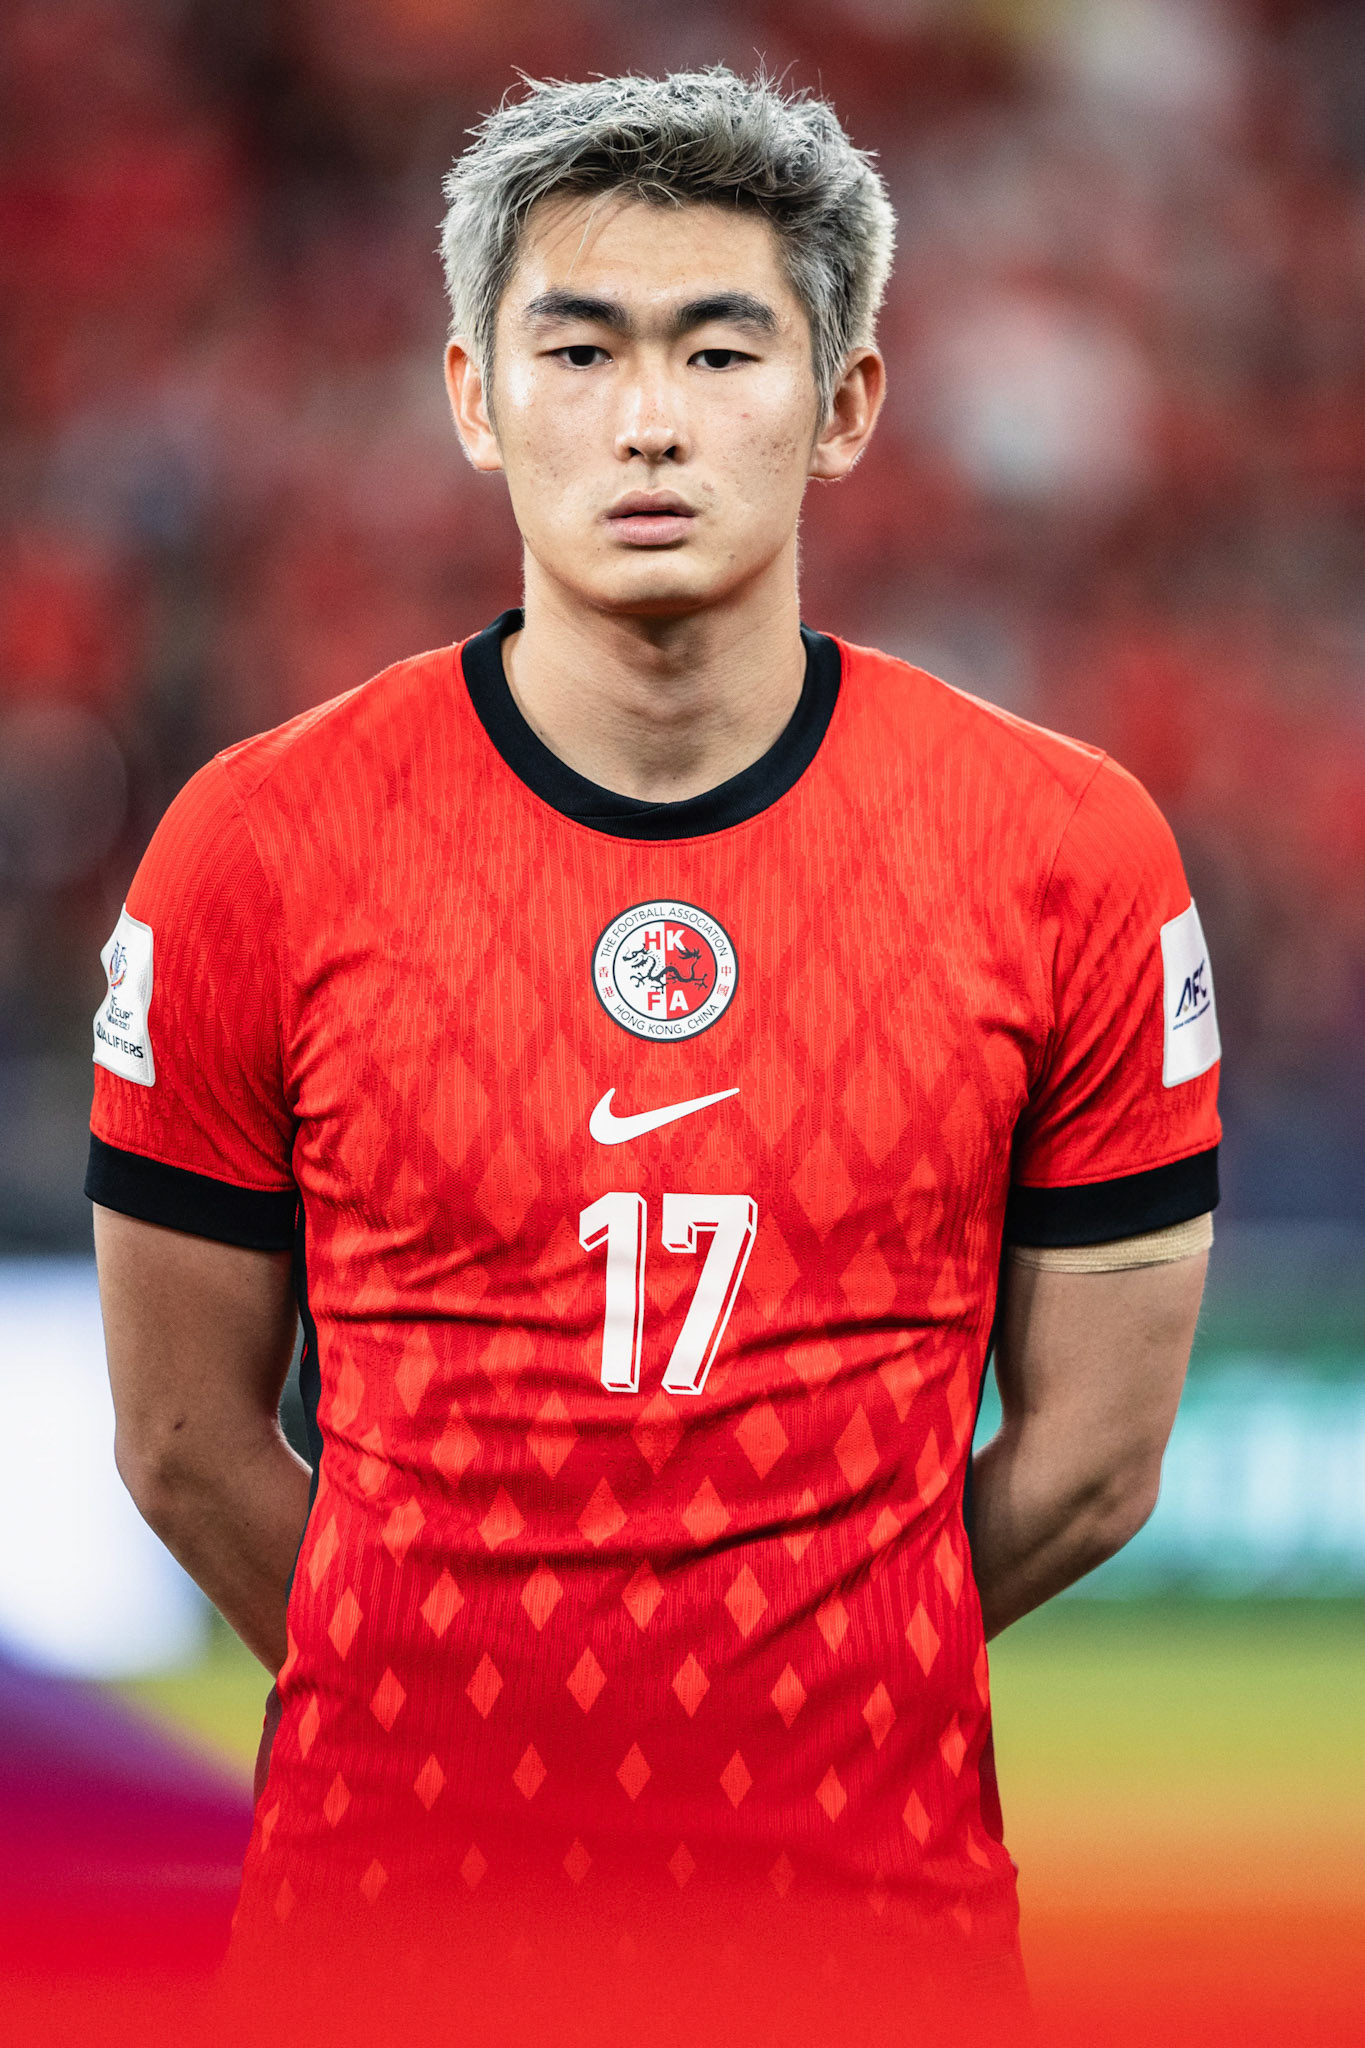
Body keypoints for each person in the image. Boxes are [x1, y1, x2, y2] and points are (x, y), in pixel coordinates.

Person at [87, 66, 1220, 2042]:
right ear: (471, 396)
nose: (648, 419)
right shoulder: (256, 849)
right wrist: (444, 1710)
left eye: (718, 348)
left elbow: (1096, 1463)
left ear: (844, 403)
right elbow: (182, 1442)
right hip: (389, 1948)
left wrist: (810, 1691)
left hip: (872, 1953)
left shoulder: (1065, 853)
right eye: (579, 348)